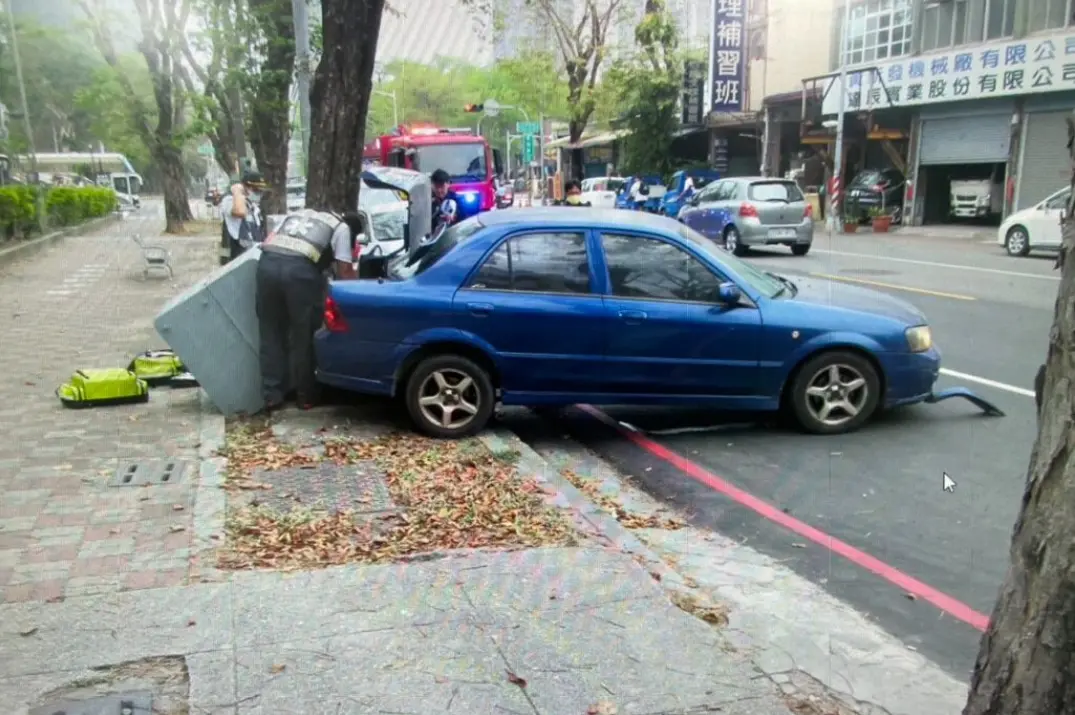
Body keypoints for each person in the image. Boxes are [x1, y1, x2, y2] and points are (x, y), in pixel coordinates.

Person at [255, 208, 360, 411]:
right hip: (299, 274)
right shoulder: (342, 228)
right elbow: (345, 273)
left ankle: (272, 395)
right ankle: (305, 395)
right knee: (303, 335)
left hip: (266, 267)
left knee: (270, 332)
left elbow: (269, 241)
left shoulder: (296, 214)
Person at [219, 169, 267, 264]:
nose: (259, 193)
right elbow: (240, 212)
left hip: (252, 258)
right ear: (244, 186)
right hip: (236, 260)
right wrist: (237, 191)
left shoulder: (252, 206)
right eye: (256, 190)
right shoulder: (229, 200)